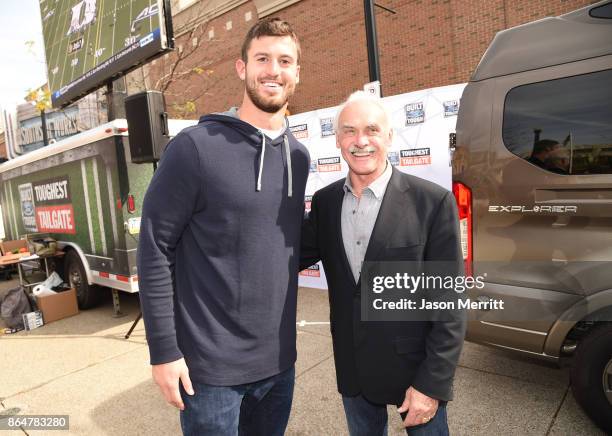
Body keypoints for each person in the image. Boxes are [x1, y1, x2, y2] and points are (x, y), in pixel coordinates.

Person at [137, 18, 309, 436]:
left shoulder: (298, 156)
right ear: (241, 68)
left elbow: (283, 246)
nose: (273, 70)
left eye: (284, 60)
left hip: (279, 365)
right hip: (210, 374)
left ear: (297, 73)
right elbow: (155, 248)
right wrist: (163, 351)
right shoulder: (195, 148)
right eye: (262, 58)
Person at [301, 91, 467, 435]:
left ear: (390, 137)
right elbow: (284, 257)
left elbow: (449, 304)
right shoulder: (325, 202)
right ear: (337, 139)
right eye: (349, 131)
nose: (360, 141)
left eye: (372, 130)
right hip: (354, 370)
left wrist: (432, 384)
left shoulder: (432, 203)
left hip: (416, 372)